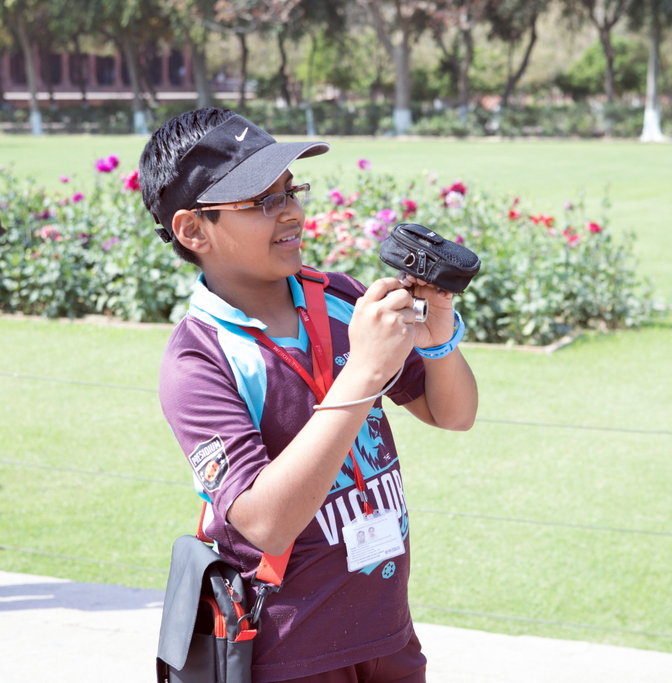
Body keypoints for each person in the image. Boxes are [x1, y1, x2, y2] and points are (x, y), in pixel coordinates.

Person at [140, 107, 478, 683]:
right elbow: (264, 524)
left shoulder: (341, 298)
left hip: (387, 629)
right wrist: (363, 373)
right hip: (290, 650)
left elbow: (453, 413)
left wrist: (439, 336)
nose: (292, 210)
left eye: (291, 190)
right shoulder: (198, 360)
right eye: (263, 202)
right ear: (193, 230)